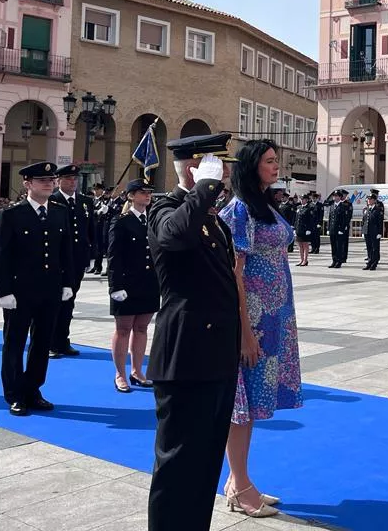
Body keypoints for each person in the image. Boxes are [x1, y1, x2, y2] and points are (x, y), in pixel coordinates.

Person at [146, 133, 240, 531]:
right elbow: (174, 237)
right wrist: (203, 188)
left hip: (216, 352)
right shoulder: (164, 208)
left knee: (205, 459)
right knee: (178, 461)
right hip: (185, 355)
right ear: (193, 169)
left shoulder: (213, 219)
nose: (225, 180)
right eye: (219, 171)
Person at [218, 139, 302, 518]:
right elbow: (234, 272)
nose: (275, 166)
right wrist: (244, 332)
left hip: (275, 315)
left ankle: (240, 481)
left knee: (252, 403)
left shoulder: (265, 204)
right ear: (252, 166)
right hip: (252, 317)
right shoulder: (239, 211)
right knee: (242, 405)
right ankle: (240, 485)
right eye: (269, 161)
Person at [0, 162, 74, 416]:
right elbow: (1, 256)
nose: (48, 184)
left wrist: (68, 283)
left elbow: (66, 252)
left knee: (42, 343)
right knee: (14, 342)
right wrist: (3, 291)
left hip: (49, 290)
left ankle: (33, 389)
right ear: (27, 184)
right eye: (41, 180)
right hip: (20, 292)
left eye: (51, 180)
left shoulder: (60, 212)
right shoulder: (12, 215)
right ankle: (15, 393)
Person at [107, 179, 159, 393]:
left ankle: (137, 371)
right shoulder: (121, 221)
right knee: (123, 329)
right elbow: (113, 255)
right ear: (130, 196)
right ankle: (120, 373)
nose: (147, 196)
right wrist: (115, 285)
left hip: (148, 283)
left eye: (148, 192)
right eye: (141, 192)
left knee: (141, 328)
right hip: (127, 284)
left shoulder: (152, 220)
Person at [48, 164, 96, 359]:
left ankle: (63, 340)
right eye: (68, 179)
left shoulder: (85, 202)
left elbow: (90, 230)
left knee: (70, 301)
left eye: (75, 179)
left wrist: (92, 254)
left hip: (77, 260)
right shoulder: (52, 200)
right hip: (57, 261)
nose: (72, 182)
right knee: (54, 302)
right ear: (59, 181)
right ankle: (51, 342)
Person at [328, 190, 352, 268]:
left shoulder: (343, 206)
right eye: (334, 196)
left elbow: (344, 219)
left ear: (340, 197)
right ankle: (334, 260)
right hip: (332, 229)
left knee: (339, 246)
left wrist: (342, 230)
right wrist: (328, 228)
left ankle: (339, 261)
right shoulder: (332, 206)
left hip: (339, 230)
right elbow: (330, 218)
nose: (335, 197)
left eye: (337, 196)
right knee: (333, 246)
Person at [363, 190, 384, 270]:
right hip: (367, 231)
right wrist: (363, 231)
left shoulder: (378, 209)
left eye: (370, 199)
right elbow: (364, 221)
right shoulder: (366, 209)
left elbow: (380, 222)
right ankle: (369, 262)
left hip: (374, 232)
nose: (369, 200)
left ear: (374, 200)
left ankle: (374, 263)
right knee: (369, 248)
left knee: (375, 248)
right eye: (368, 199)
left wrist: (379, 232)